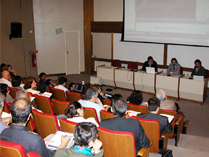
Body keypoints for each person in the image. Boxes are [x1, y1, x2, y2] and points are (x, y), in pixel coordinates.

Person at [0, 98, 70, 157]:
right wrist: (63, 144)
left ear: (11, 115)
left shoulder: (3, 133)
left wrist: (41, 144)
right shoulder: (35, 140)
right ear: (28, 117)